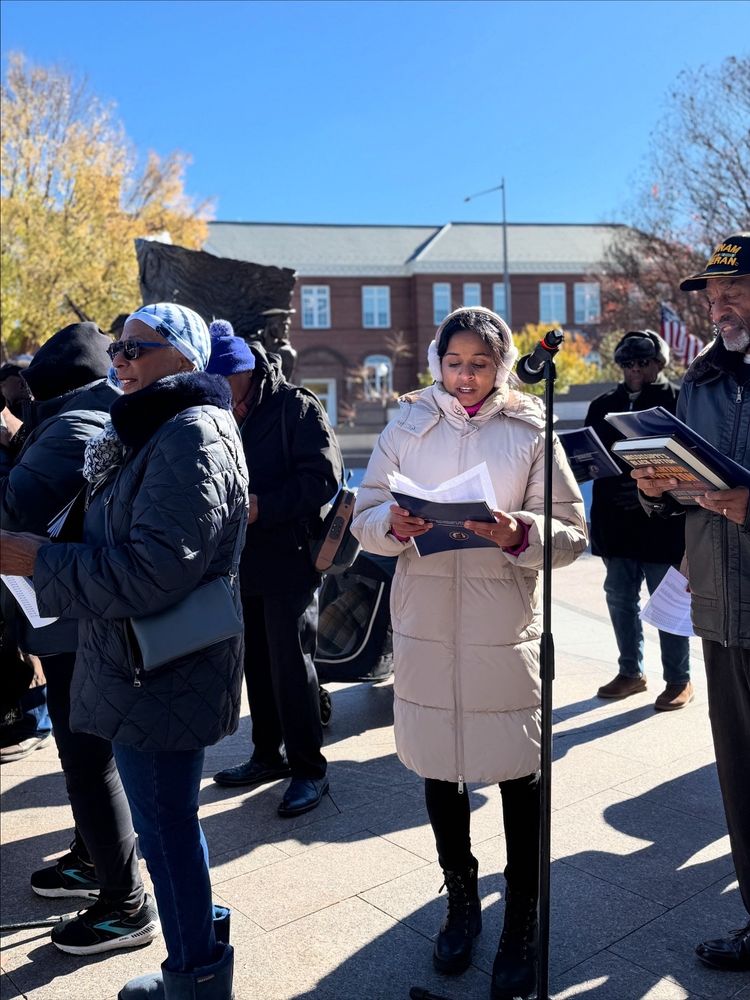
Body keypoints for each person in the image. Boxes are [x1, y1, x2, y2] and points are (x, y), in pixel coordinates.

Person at [0, 303, 249, 999]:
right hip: (143, 665)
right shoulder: (153, 427)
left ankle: (194, 978)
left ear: (184, 357)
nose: (122, 360)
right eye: (118, 348)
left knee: (166, 833)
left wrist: (42, 562)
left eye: (139, 348)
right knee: (169, 829)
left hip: (162, 670)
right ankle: (200, 942)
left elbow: (152, 570)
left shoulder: (189, 433)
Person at [351, 306, 587, 1000]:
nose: (464, 376)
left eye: (479, 363)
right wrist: (390, 524)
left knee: (519, 774)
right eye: (454, 362)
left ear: (501, 365)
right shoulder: (406, 424)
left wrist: (520, 533)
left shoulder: (530, 429)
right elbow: (364, 518)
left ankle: (521, 922)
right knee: (438, 771)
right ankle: (460, 901)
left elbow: (573, 533)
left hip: (501, 630)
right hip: (424, 628)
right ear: (437, 361)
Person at [0, 323, 153, 948]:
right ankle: (94, 860)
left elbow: (12, 510)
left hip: (74, 622)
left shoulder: (73, 426)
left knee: (90, 761)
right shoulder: (83, 417)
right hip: (71, 615)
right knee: (86, 757)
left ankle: (125, 902)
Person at [632, 232, 750, 972]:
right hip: (720, 601)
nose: (719, 304)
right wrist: (656, 489)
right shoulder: (699, 381)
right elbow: (691, 490)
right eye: (712, 293)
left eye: (735, 290)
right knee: (740, 770)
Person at [207, 320, 342, 818]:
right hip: (239, 561)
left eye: (225, 379)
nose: (219, 388)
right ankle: (267, 755)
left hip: (290, 558)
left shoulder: (295, 406)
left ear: (245, 370)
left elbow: (325, 478)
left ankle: (310, 768)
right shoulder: (214, 411)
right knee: (256, 667)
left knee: (291, 665)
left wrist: (266, 505)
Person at [585, 330, 692, 710]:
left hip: (663, 522)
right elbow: (589, 458)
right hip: (615, 522)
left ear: (659, 363)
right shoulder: (602, 404)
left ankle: (679, 679)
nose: (634, 370)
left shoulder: (678, 399)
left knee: (667, 602)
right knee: (619, 599)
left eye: (642, 362)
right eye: (627, 363)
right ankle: (631, 672)